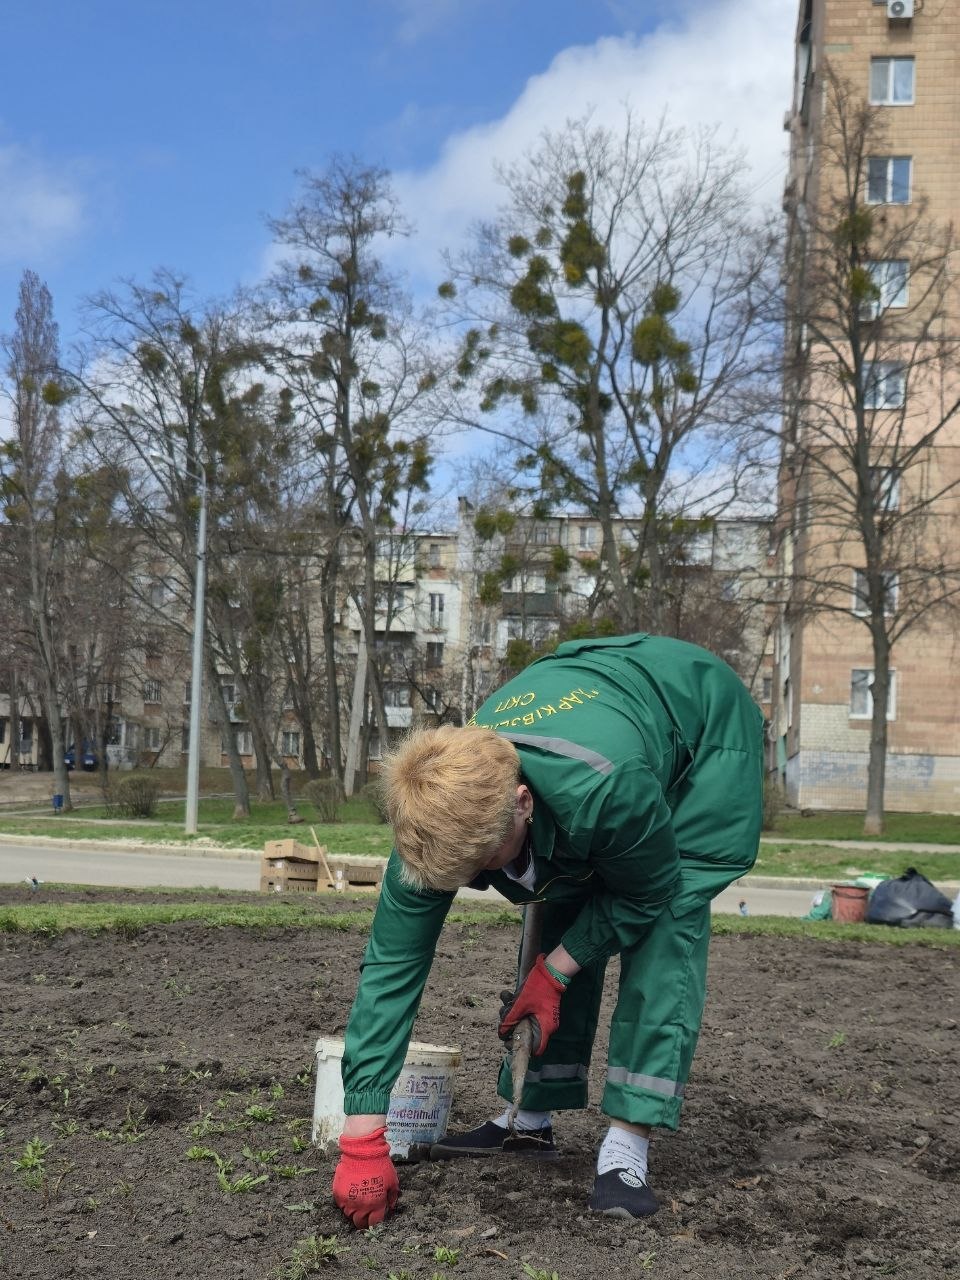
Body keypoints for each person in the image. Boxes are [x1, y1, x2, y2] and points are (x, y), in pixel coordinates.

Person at [331, 633, 763, 1227]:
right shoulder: (435, 812)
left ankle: (626, 1146)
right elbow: (391, 967)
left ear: (522, 801)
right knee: (555, 891)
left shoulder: (606, 791)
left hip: (702, 726)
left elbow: (648, 888)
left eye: (485, 862)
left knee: (666, 920)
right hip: (596, 698)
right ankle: (529, 1121)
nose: (479, 877)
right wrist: (361, 1135)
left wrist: (557, 970)